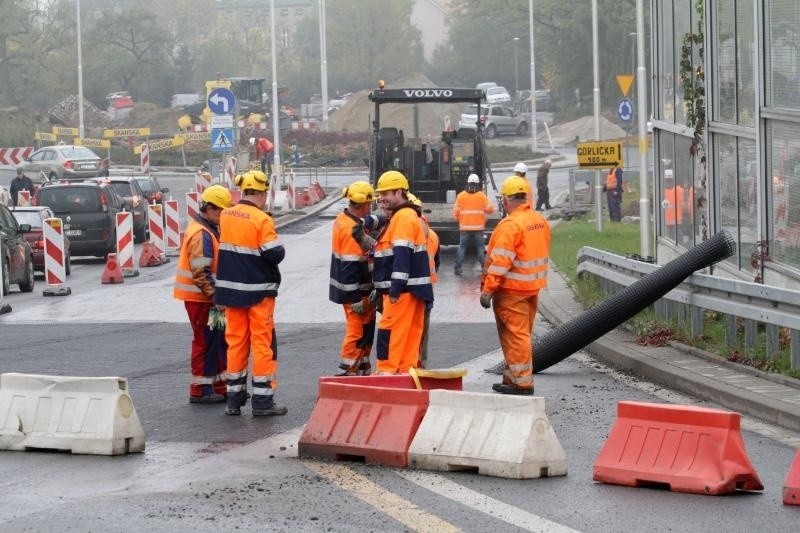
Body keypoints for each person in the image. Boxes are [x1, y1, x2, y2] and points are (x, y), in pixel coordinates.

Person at [214, 170, 287, 416]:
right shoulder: (261, 219)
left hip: (231, 292)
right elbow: (274, 253)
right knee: (262, 345)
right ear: (263, 193)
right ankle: (263, 402)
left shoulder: (225, 215)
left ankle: (233, 401)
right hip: (258, 292)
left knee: (235, 343)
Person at [480, 175, 550, 395]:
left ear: (506, 200)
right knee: (520, 335)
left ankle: (522, 382)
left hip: (511, 291)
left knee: (515, 336)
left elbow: (500, 262)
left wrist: (488, 289)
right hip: (532, 288)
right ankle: (511, 377)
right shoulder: (539, 220)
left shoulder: (510, 225)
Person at [173, 184, 232, 404]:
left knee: (216, 341)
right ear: (208, 208)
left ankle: (218, 384)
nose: (222, 215)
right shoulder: (201, 234)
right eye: (219, 211)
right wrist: (216, 296)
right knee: (205, 342)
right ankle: (200, 388)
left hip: (207, 299)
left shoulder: (208, 229)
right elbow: (201, 272)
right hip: (202, 300)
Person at [371, 170, 433, 375]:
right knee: (408, 339)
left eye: (386, 193)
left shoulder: (403, 218)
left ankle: (386, 376)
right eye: (380, 194)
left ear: (400, 192)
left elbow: (402, 257)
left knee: (390, 335)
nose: (381, 198)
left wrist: (394, 290)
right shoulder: (407, 216)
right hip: (413, 291)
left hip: (401, 293)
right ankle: (405, 377)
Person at [329, 181, 377, 376]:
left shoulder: (343, 220)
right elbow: (350, 266)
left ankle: (362, 366)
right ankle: (346, 369)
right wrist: (356, 298)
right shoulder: (351, 230)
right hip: (356, 293)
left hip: (352, 290)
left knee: (365, 330)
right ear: (364, 204)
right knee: (357, 332)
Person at [408, 193, 440, 369]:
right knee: (422, 331)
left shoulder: (408, 232)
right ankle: (421, 365)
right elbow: (437, 262)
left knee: (408, 331)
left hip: (410, 293)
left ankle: (409, 365)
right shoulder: (433, 235)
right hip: (427, 291)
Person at [453, 173, 494, 275]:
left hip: (464, 227)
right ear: (477, 184)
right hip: (479, 227)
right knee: (480, 247)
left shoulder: (461, 196)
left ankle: (457, 268)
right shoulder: (482, 196)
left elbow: (456, 213)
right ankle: (484, 267)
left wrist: (460, 220)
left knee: (462, 247)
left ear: (468, 183)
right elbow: (490, 210)